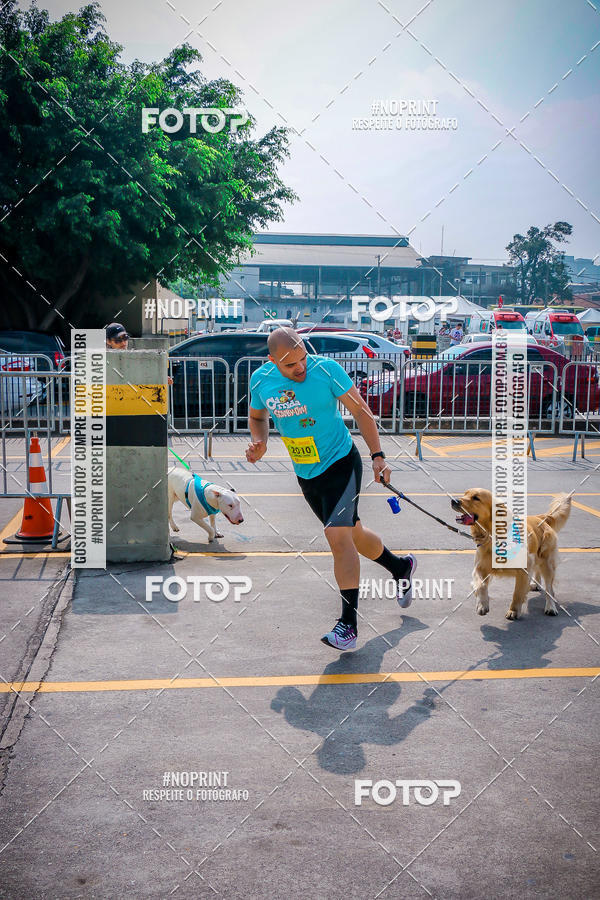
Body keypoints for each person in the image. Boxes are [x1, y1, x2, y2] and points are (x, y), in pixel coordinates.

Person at [245, 327, 416, 651]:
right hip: (307, 473)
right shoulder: (260, 380)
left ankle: (347, 626)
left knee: (337, 537)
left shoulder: (327, 371)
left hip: (341, 462)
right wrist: (260, 442)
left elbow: (361, 411)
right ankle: (401, 567)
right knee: (353, 535)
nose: (300, 368)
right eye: (290, 365)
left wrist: (378, 456)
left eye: (302, 359)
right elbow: (257, 416)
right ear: (272, 361)